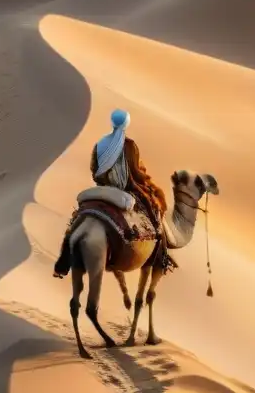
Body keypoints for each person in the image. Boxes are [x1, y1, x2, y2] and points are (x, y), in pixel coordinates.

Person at [53, 108, 169, 277]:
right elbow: (135, 171)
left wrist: (102, 180)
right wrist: (144, 182)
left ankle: (62, 265)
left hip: (101, 186)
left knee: (77, 219)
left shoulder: (100, 144)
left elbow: (94, 168)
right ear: (126, 124)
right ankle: (160, 250)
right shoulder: (129, 145)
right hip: (127, 187)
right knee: (153, 208)